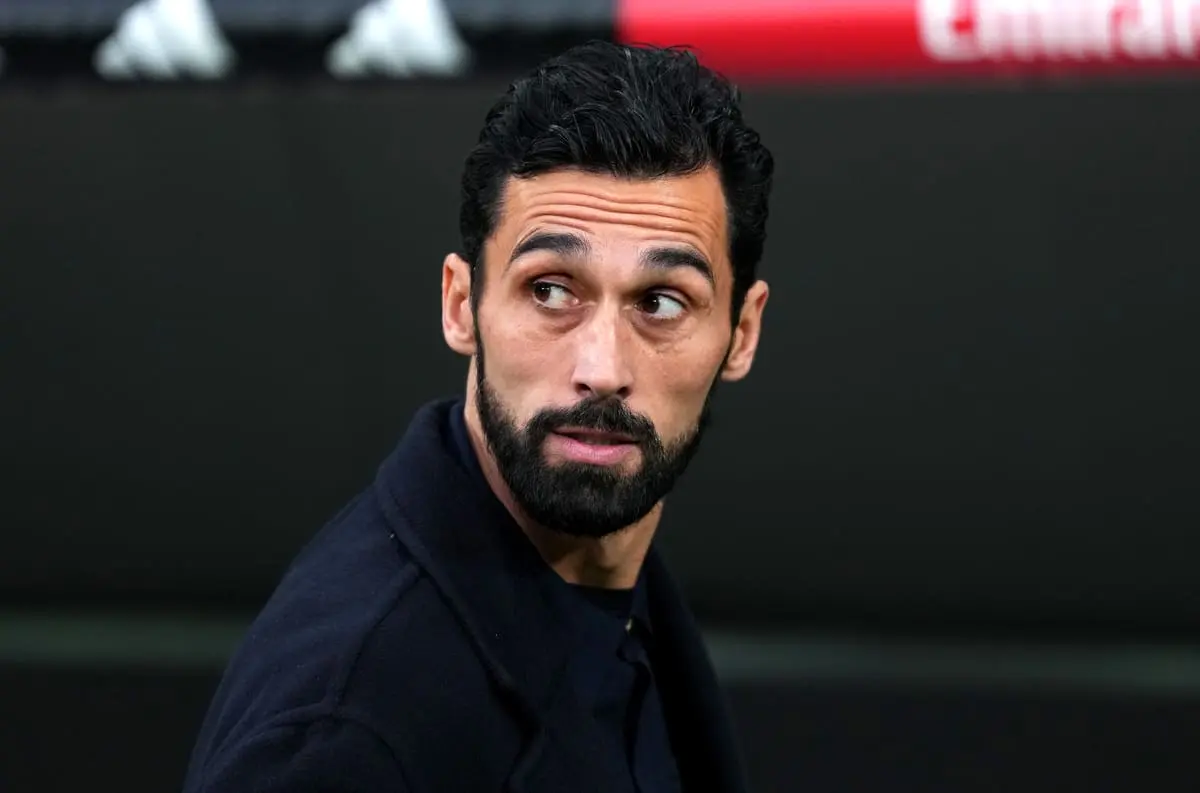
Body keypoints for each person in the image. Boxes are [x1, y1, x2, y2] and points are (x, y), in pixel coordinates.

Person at [182, 40, 773, 793]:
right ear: (462, 305)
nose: (602, 368)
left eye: (660, 302)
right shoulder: (346, 728)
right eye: (551, 290)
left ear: (741, 333)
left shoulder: (616, 583)